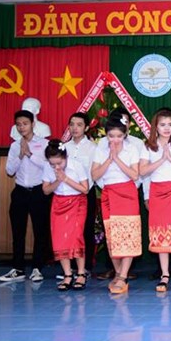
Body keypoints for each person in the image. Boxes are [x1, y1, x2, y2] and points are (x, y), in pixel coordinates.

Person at [140, 108, 171, 293]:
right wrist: (162, 159)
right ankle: (165, 274)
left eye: (170, 124)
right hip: (157, 191)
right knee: (159, 233)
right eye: (163, 125)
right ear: (156, 126)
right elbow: (142, 171)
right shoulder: (148, 146)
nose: (167, 128)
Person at [91, 115, 142, 295]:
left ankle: (123, 276)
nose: (115, 140)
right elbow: (95, 175)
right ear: (106, 135)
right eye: (111, 136)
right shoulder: (100, 149)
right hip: (108, 193)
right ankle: (119, 273)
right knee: (112, 236)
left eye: (119, 136)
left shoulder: (131, 149)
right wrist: (109, 159)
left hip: (127, 193)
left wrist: (117, 159)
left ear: (125, 134)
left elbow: (134, 175)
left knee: (127, 235)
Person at [0, 110, 51, 283]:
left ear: (32, 124)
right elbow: (9, 171)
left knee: (40, 231)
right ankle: (18, 268)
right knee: (18, 231)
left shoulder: (44, 144)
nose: (22, 127)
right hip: (20, 191)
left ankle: (37, 268)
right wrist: (20, 155)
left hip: (38, 191)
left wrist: (29, 154)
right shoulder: (15, 146)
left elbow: (48, 167)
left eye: (25, 124)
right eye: (18, 124)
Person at [42, 139, 89, 291]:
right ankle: (67, 274)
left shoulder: (76, 165)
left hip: (77, 202)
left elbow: (85, 189)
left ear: (66, 157)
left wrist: (66, 179)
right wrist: (57, 180)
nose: (56, 167)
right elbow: (46, 190)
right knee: (59, 239)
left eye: (59, 163)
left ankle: (81, 273)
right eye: (53, 164)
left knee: (76, 236)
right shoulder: (48, 168)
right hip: (58, 203)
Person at [64, 112, 97, 276]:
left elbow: (93, 173)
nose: (74, 128)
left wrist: (82, 189)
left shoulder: (93, 148)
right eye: (72, 124)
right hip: (67, 195)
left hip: (86, 193)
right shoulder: (64, 147)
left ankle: (86, 268)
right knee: (68, 230)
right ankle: (69, 267)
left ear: (86, 127)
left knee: (86, 230)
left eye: (79, 125)